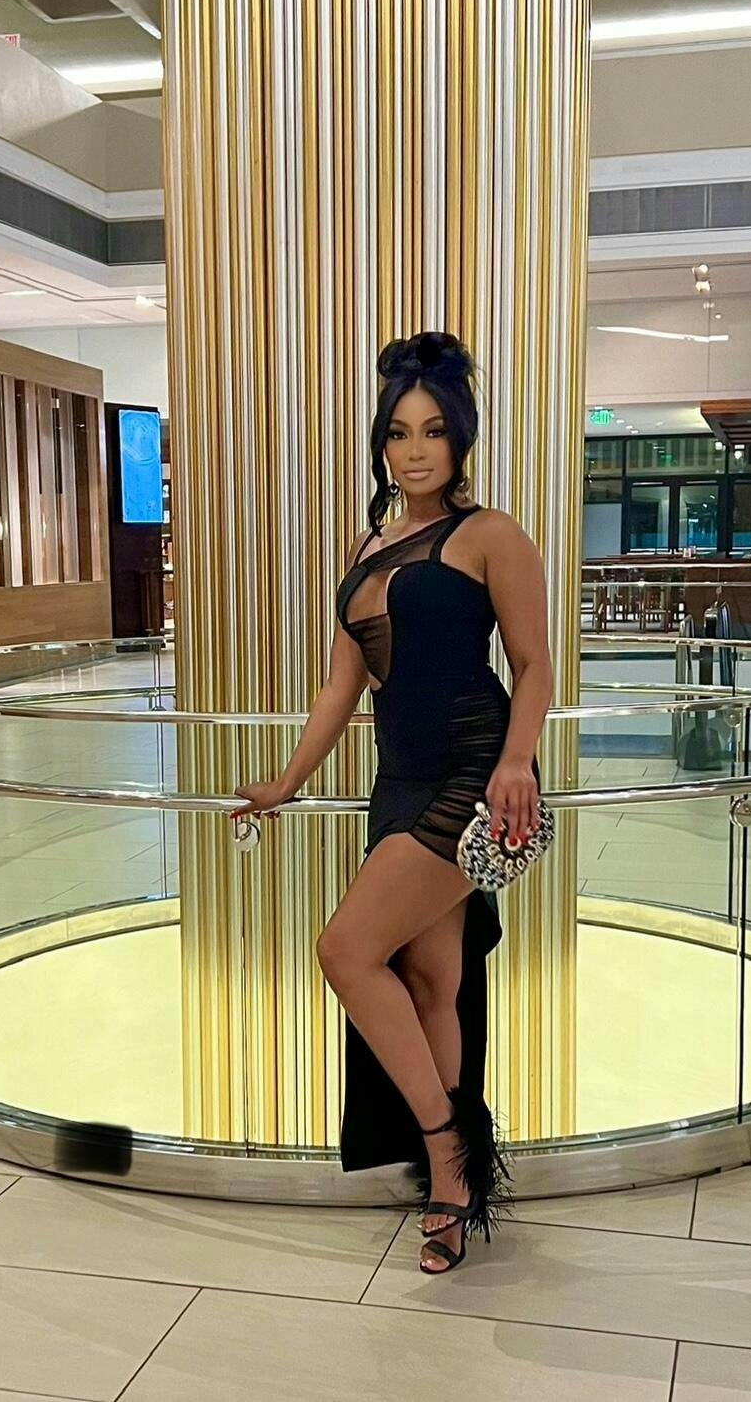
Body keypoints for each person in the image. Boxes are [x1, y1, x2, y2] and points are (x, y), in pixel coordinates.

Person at [233, 332, 552, 1276]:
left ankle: (449, 1159)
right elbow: (343, 685)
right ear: (381, 443)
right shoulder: (365, 547)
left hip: (469, 770)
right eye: (399, 433)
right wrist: (287, 781)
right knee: (429, 984)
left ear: (462, 439)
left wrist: (518, 760)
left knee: (344, 949)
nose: (415, 450)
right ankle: (456, 1184)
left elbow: (534, 665)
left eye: (433, 431)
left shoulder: (491, 535)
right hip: (397, 778)